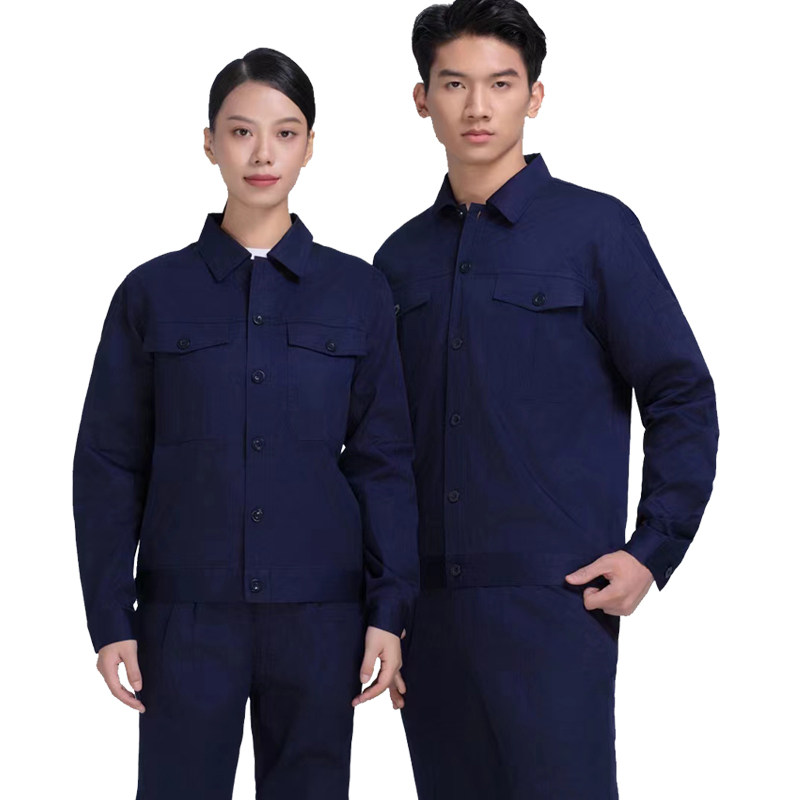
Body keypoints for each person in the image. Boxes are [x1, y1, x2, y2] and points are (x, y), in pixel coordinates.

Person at [373, 1, 719, 798]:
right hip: (429, 614)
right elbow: (378, 448)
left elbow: (680, 393)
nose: (477, 106)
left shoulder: (596, 232)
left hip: (557, 604)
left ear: (534, 96)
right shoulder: (397, 261)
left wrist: (651, 549)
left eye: (501, 83)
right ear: (422, 99)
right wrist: (382, 608)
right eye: (454, 84)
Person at [72, 47, 419, 800]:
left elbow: (383, 460)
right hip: (184, 617)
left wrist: (389, 612)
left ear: (310, 146)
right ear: (209, 143)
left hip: (321, 618)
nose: (263, 154)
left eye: (285, 133)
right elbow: (109, 463)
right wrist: (110, 618)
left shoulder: (357, 292)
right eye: (241, 132)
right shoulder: (151, 293)